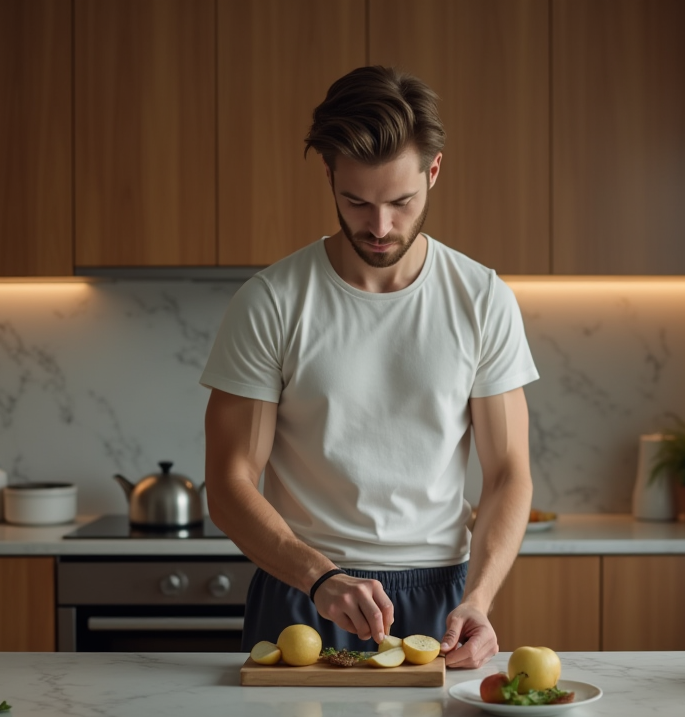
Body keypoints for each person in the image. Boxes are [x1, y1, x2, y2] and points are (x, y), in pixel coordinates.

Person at [200, 65, 538, 669]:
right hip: (303, 590)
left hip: (441, 597)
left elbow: (509, 473)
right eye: (356, 201)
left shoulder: (482, 299)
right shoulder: (272, 302)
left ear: (434, 171)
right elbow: (229, 484)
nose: (380, 227)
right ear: (329, 175)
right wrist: (319, 576)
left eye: (401, 202)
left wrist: (480, 598)